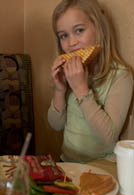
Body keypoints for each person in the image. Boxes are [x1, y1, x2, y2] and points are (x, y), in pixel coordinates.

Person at [48, 0, 134, 162]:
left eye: (79, 30)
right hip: (68, 161)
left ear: (99, 29)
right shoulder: (68, 73)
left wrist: (81, 89)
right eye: (64, 35)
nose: (71, 43)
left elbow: (109, 136)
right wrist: (59, 90)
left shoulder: (120, 76)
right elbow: (56, 125)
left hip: (104, 166)